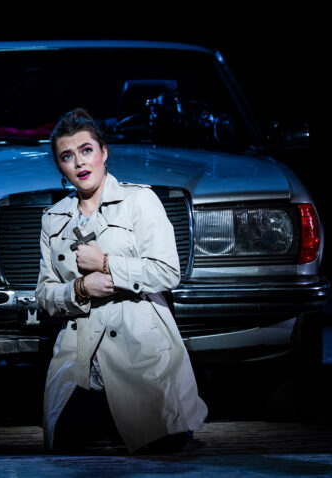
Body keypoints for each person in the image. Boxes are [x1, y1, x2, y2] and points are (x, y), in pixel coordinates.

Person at [36, 108, 208, 453]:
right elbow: (43, 294)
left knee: (156, 444)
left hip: (139, 350)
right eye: (67, 156)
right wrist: (81, 288)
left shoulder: (139, 201)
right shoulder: (53, 219)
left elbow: (167, 271)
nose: (79, 163)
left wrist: (108, 264)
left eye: (86, 150)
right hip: (80, 360)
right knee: (66, 448)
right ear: (60, 166)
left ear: (103, 152)